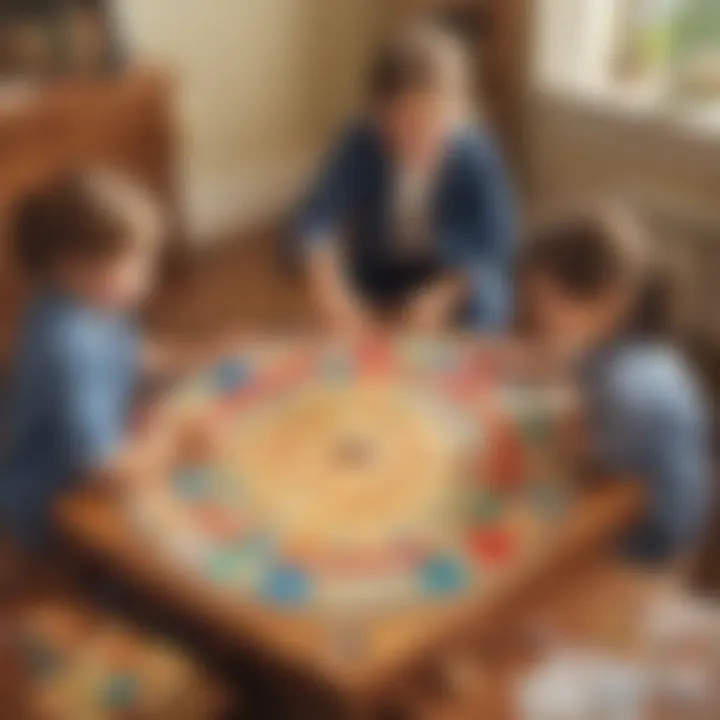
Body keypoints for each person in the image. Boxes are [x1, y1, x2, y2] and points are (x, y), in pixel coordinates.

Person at [0, 171, 236, 552]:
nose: (146, 280)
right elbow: (102, 470)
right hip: (55, 498)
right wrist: (176, 445)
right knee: (184, 534)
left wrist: (203, 352)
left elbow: (129, 352)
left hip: (98, 446)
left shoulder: (87, 299)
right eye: (133, 265)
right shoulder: (67, 346)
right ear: (72, 264)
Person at [295, 23, 516, 336]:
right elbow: (314, 218)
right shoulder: (359, 142)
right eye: (399, 126)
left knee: (491, 297)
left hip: (447, 267)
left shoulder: (477, 155)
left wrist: (445, 293)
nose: (415, 138)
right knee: (330, 318)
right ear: (376, 115)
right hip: (378, 267)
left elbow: (497, 241)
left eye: (430, 123)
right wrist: (327, 285)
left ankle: (471, 367)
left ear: (460, 111)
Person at [521, 205, 711, 567]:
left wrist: (554, 434)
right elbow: (583, 381)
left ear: (609, 302)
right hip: (635, 486)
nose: (538, 318)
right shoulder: (623, 340)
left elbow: (586, 467)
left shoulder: (629, 388)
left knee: (532, 532)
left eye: (548, 305)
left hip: (650, 536)